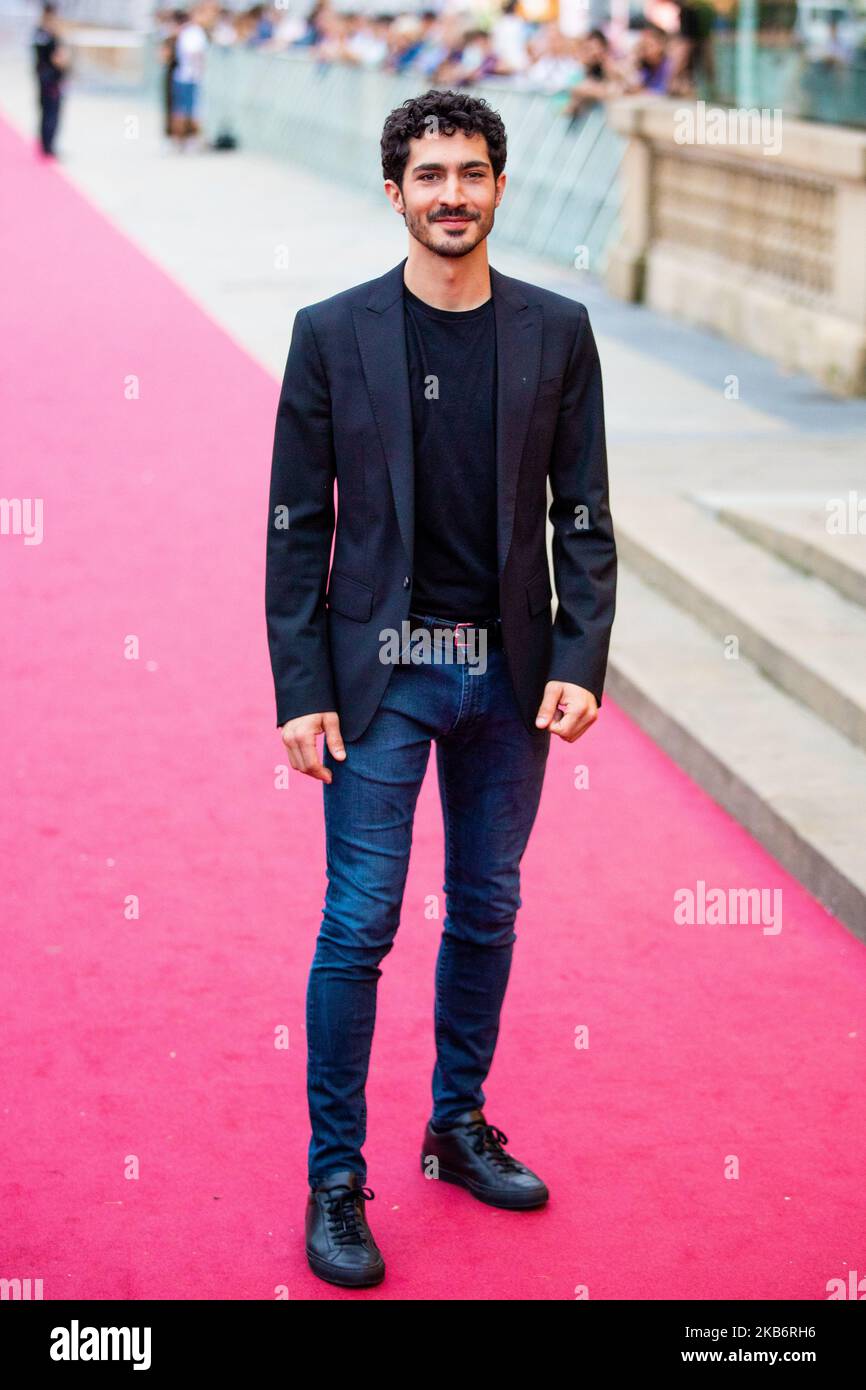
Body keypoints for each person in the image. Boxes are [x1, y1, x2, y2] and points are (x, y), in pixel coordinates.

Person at [265, 88, 617, 1289]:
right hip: (384, 677)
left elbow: (582, 514)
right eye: (429, 176)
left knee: (485, 912)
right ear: (395, 192)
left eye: (470, 173)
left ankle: (454, 1124)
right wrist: (299, 686)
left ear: (500, 188)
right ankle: (334, 1177)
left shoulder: (557, 331)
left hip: (508, 676)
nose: (450, 194)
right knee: (358, 926)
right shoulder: (331, 331)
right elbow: (295, 525)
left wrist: (578, 660)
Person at [32, 3, 69, 159]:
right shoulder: (51, 35)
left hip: (42, 77)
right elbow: (58, 59)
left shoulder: (38, 33)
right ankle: (49, 147)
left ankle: (45, 145)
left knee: (44, 111)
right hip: (52, 79)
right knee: (51, 113)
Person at [170, 6, 209, 149]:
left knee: (182, 110)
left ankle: (180, 141)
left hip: (183, 75)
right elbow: (195, 53)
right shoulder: (194, 32)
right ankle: (188, 140)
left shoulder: (185, 32)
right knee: (189, 111)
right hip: (189, 77)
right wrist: (200, 67)